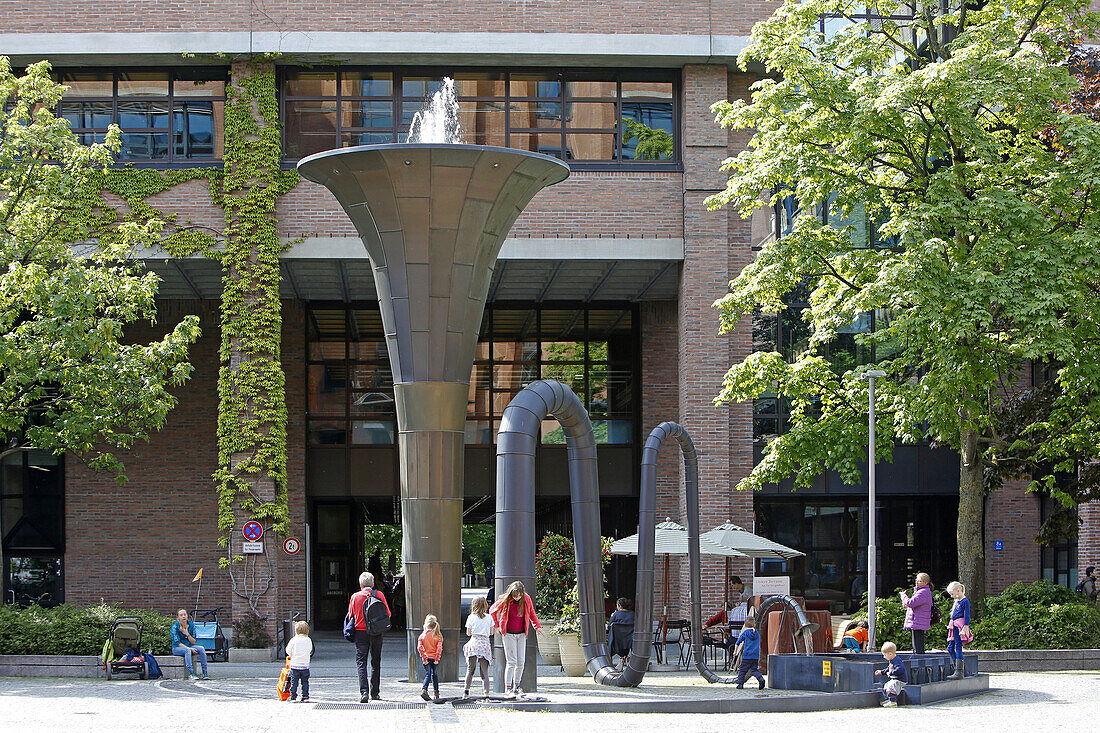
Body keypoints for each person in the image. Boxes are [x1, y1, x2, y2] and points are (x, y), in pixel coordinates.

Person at [489, 580, 541, 697]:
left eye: (519, 595)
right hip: (508, 634)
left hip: (522, 634)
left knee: (521, 662)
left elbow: (532, 613)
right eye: (514, 595)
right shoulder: (505, 599)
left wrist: (537, 626)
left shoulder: (526, 599)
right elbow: (492, 610)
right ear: (511, 594)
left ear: (522, 593)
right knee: (511, 661)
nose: (517, 598)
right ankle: (508, 688)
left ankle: (516, 686)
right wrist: (497, 626)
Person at [348, 571, 391, 703]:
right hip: (376, 632)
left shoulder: (355, 597)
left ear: (360, 584)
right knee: (376, 662)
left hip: (361, 633)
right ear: (372, 584)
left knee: (361, 662)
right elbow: (387, 613)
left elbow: (351, 615)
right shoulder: (379, 595)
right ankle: (375, 692)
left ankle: (364, 692)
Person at [463, 595, 494, 698]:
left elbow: (468, 633)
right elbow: (491, 633)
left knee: (470, 669)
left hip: (474, 644)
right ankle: (486, 693)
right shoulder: (489, 617)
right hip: (484, 644)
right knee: (484, 672)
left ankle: (466, 691)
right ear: (485, 605)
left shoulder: (471, 617)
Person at [170, 608, 209, 680]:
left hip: (189, 646)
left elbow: (194, 642)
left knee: (201, 649)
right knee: (187, 650)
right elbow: (177, 642)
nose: (183, 616)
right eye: (181, 615)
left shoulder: (191, 625)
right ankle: (191, 673)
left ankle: (205, 673)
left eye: (185, 614)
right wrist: (190, 648)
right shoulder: (175, 627)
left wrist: (187, 634)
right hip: (177, 648)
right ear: (178, 617)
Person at [900, 572, 933, 653]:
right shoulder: (922, 591)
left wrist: (903, 596)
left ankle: (919, 660)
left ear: (925, 583)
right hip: (918, 619)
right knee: (917, 641)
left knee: (918, 645)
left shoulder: (922, 592)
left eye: (919, 581)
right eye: (916, 580)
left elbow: (910, 603)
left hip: (918, 619)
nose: (917, 582)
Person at [945, 581, 971, 679]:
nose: (951, 596)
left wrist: (965, 627)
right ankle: (959, 668)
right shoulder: (958, 602)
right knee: (950, 648)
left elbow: (967, 615)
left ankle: (959, 671)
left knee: (957, 646)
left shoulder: (965, 601)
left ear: (958, 590)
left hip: (959, 627)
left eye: (952, 594)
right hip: (954, 626)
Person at [732, 615, 765, 689]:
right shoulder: (757, 634)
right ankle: (761, 679)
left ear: (745, 625)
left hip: (747, 656)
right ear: (754, 625)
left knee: (742, 670)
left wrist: (735, 651)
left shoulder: (745, 633)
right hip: (755, 656)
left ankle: (740, 684)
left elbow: (738, 642)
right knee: (754, 670)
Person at [284, 620, 313, 703]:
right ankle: (305, 696)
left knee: (294, 681)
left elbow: (288, 650)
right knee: (305, 682)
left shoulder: (294, 640)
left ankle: (293, 696)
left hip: (295, 665)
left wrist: (292, 654)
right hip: (305, 665)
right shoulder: (308, 640)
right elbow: (310, 650)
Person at [874, 641, 908, 707]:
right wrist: (881, 672)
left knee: (890, 687)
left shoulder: (897, 660)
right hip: (895, 679)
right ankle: (888, 699)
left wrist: (891, 672)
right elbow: (888, 669)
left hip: (900, 680)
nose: (884, 657)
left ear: (890, 654)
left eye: (885, 655)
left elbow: (900, 669)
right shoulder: (891, 660)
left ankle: (893, 702)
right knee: (885, 686)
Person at [417, 614, 443, 701]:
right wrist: (437, 659)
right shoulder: (437, 636)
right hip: (434, 659)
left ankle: (424, 689)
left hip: (426, 658)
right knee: (434, 675)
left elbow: (420, 647)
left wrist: (424, 658)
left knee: (428, 674)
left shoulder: (423, 635)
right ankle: (436, 693)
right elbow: (439, 648)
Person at [606, 597, 636, 670]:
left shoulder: (616, 614)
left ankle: (622, 657)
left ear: (619, 606)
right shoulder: (633, 614)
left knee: (611, 638)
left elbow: (610, 627)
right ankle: (625, 657)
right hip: (630, 640)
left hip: (617, 641)